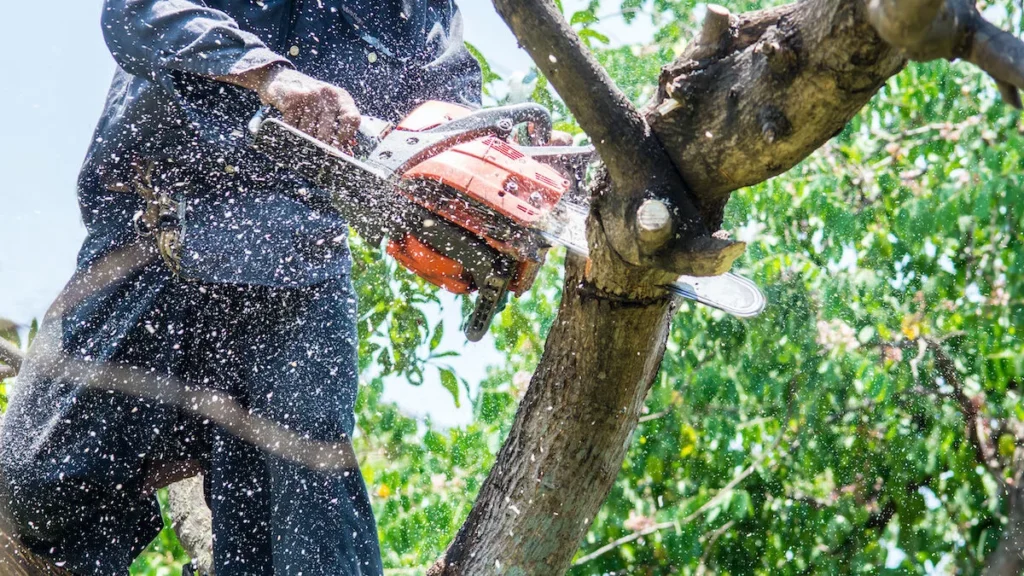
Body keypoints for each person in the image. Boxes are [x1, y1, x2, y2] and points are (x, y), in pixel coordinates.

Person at [0, 1, 481, 575]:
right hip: (157, 230)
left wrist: (483, 180)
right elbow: (136, 11)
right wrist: (268, 74)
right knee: (31, 486)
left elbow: (449, 101)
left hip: (297, 263)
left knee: (301, 520)